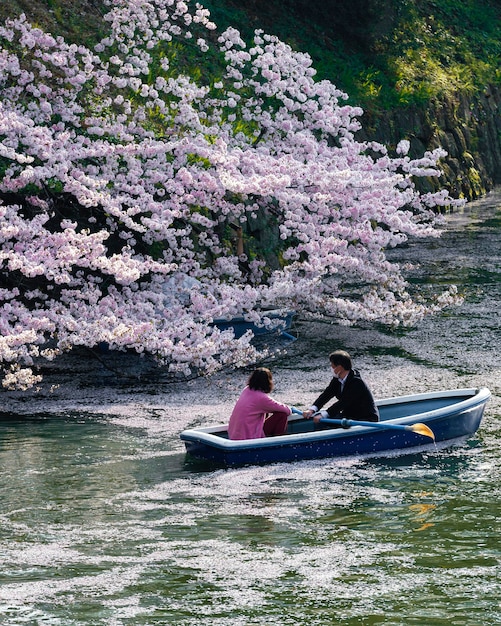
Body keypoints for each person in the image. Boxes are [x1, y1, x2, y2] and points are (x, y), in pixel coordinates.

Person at [303, 350, 379, 424]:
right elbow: (326, 394)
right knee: (323, 422)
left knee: (325, 421)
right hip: (349, 415)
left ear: (339, 367)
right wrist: (312, 409)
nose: (331, 368)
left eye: (332, 365)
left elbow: (343, 403)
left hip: (365, 418)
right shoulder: (337, 379)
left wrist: (323, 415)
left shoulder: (357, 382)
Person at [228, 368, 292, 440]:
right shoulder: (262, 398)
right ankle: (277, 443)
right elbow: (287, 411)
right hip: (248, 437)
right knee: (282, 415)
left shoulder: (246, 390)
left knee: (264, 411)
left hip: (234, 435)